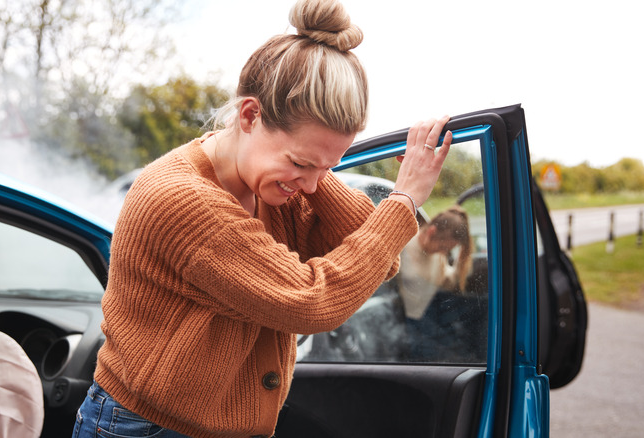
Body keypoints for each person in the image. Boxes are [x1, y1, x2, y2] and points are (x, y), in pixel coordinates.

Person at [72, 0, 452, 437]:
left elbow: (378, 259)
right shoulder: (182, 200)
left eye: (328, 168)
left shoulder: (268, 182)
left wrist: (310, 168)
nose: (311, 187)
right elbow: (313, 300)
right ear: (250, 115)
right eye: (301, 162)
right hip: (146, 428)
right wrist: (404, 200)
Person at [399, 206, 473, 319]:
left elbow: (448, 281)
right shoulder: (403, 247)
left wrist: (461, 261)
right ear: (431, 231)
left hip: (428, 313)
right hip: (403, 316)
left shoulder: (438, 256)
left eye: (448, 250)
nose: (443, 253)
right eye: (442, 247)